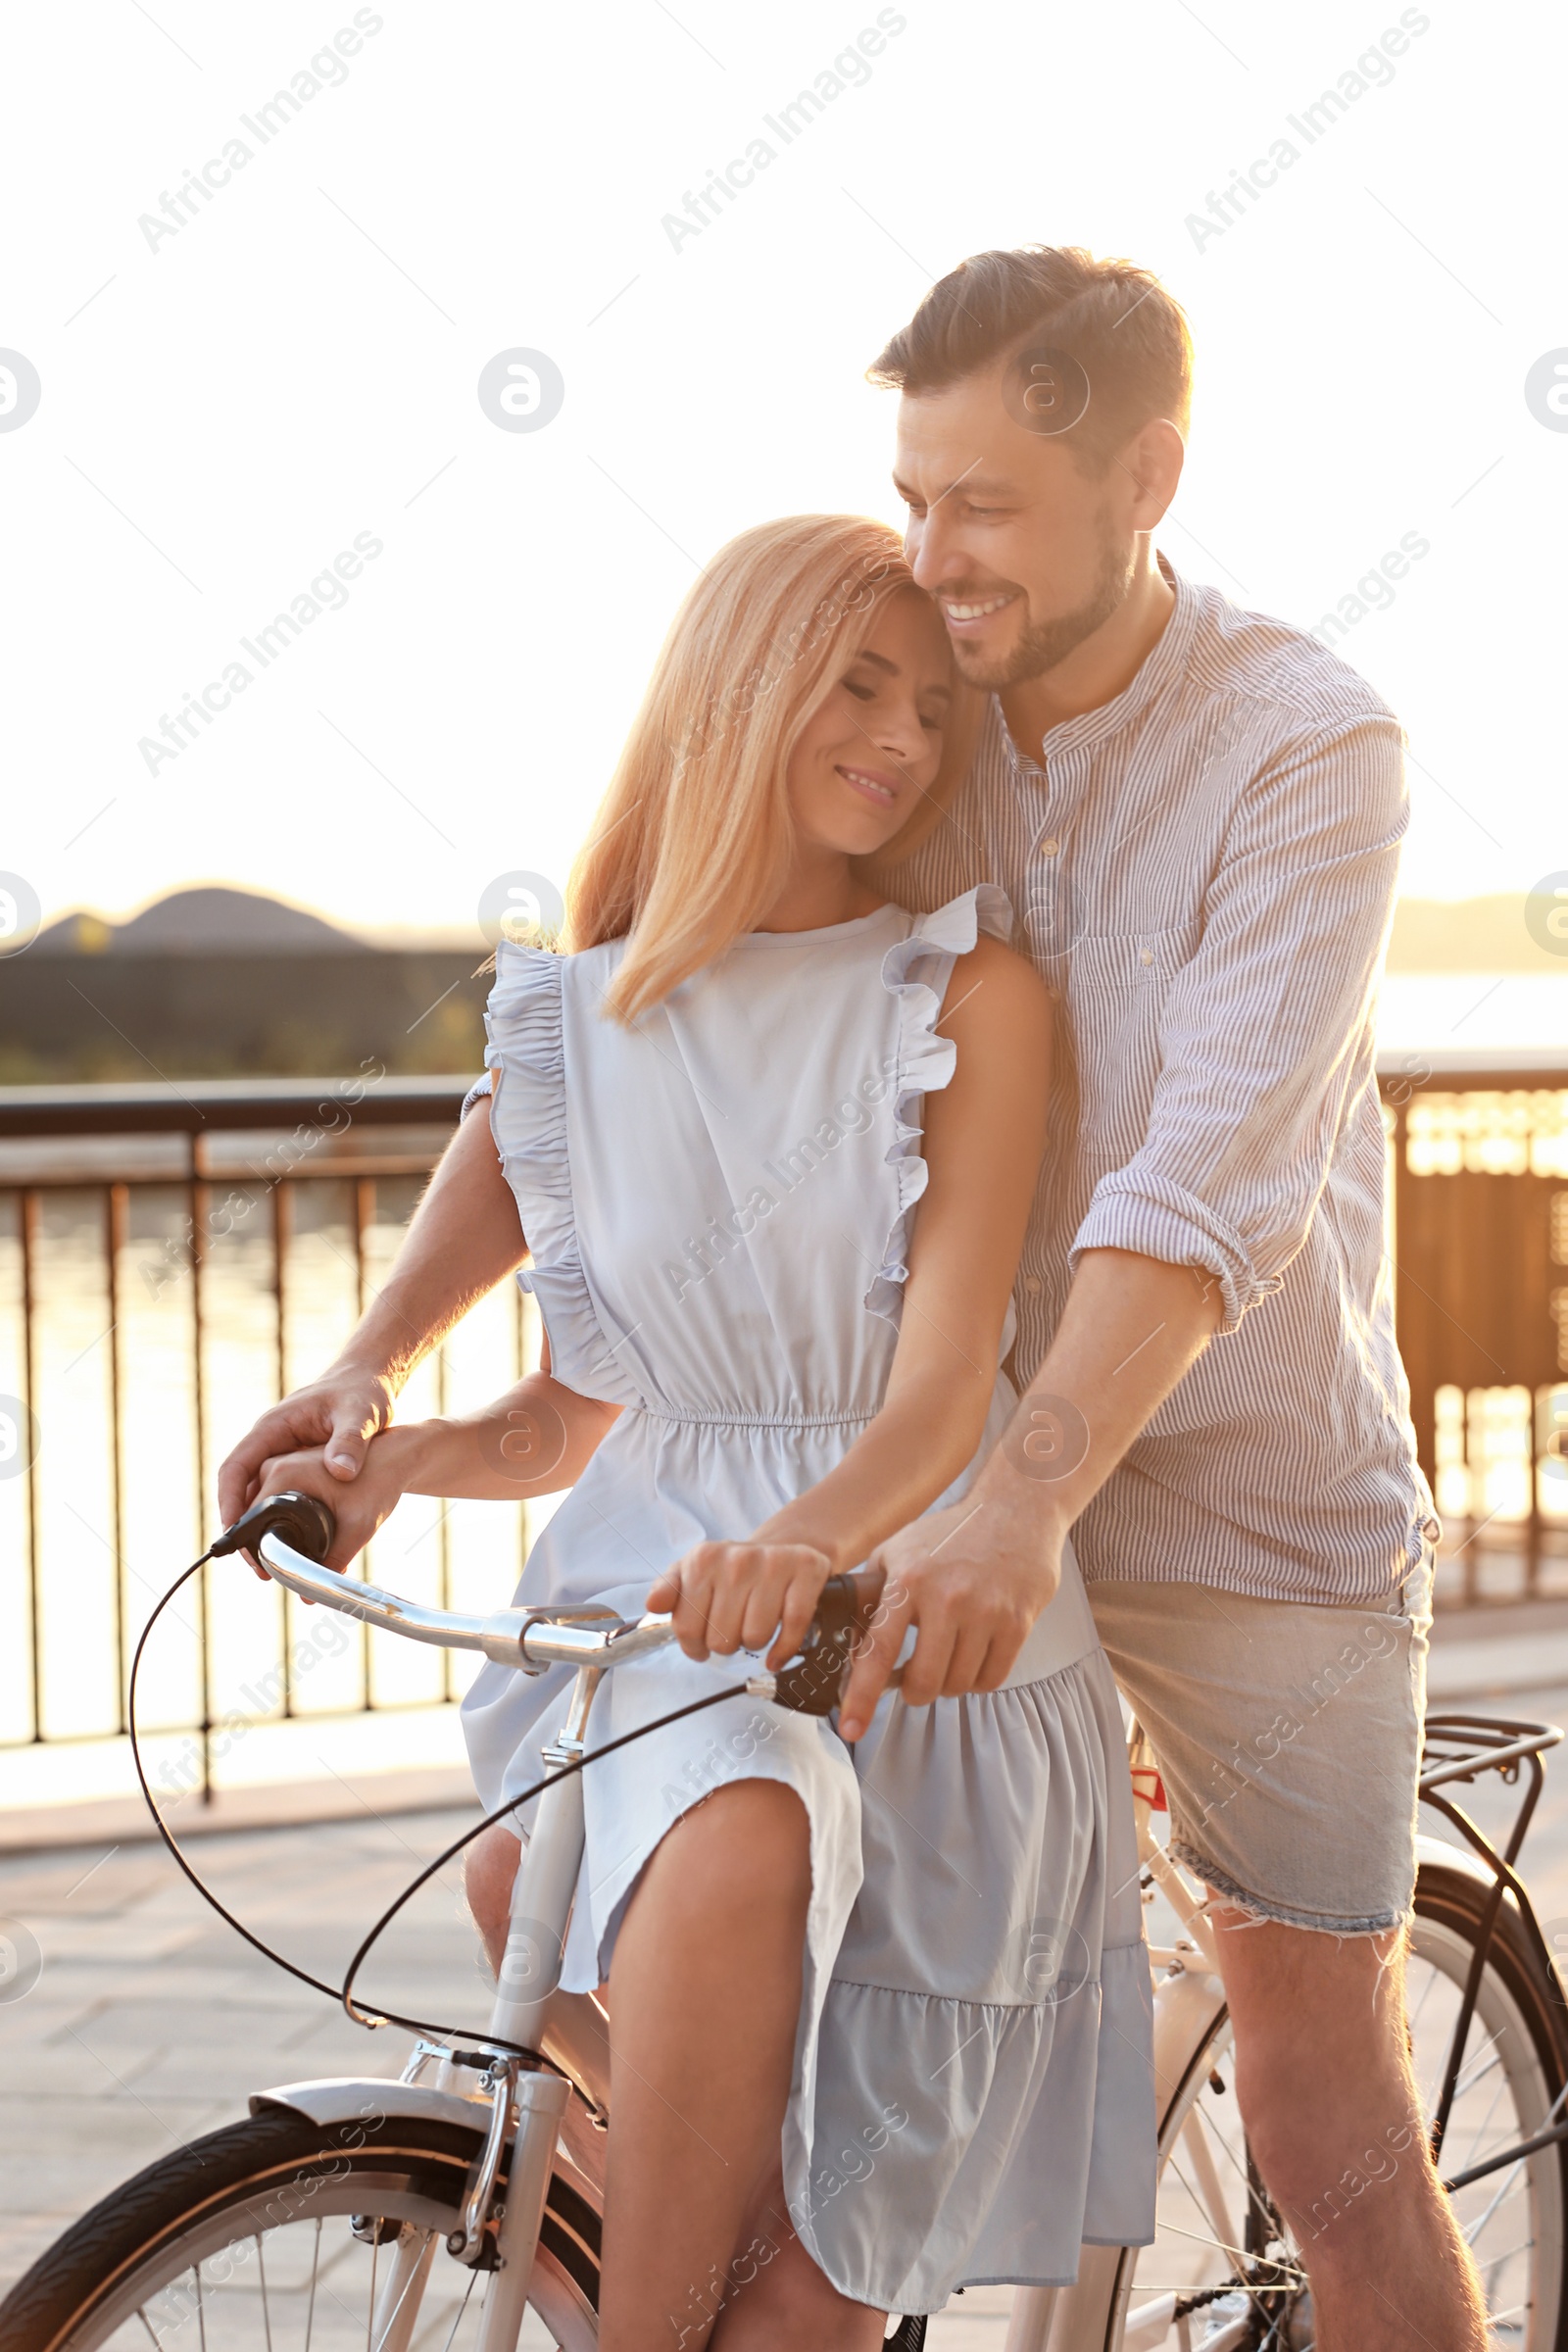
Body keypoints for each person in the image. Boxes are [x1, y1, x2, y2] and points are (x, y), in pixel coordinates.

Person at [222, 241, 1475, 2341]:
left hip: (1223, 1499)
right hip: (925, 1513)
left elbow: (1200, 1182)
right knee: (616, 1891)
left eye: (980, 508)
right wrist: (374, 1365)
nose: (933, 558)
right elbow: (617, 1029)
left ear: (1143, 476)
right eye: (912, 496)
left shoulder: (1302, 748)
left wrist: (1009, 1500)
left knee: (1315, 2101)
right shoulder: (924, 696)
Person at [238, 513, 1155, 2350]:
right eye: (856, 684)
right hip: (656, 1635)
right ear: (737, 691)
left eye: (929, 710)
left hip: (900, 1638)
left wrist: (802, 1542)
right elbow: (569, 1407)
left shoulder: (965, 998)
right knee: (661, 2044)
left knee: (775, 2310)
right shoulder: (578, 1019)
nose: (901, 740)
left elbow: (940, 1397)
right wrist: (376, 1427)